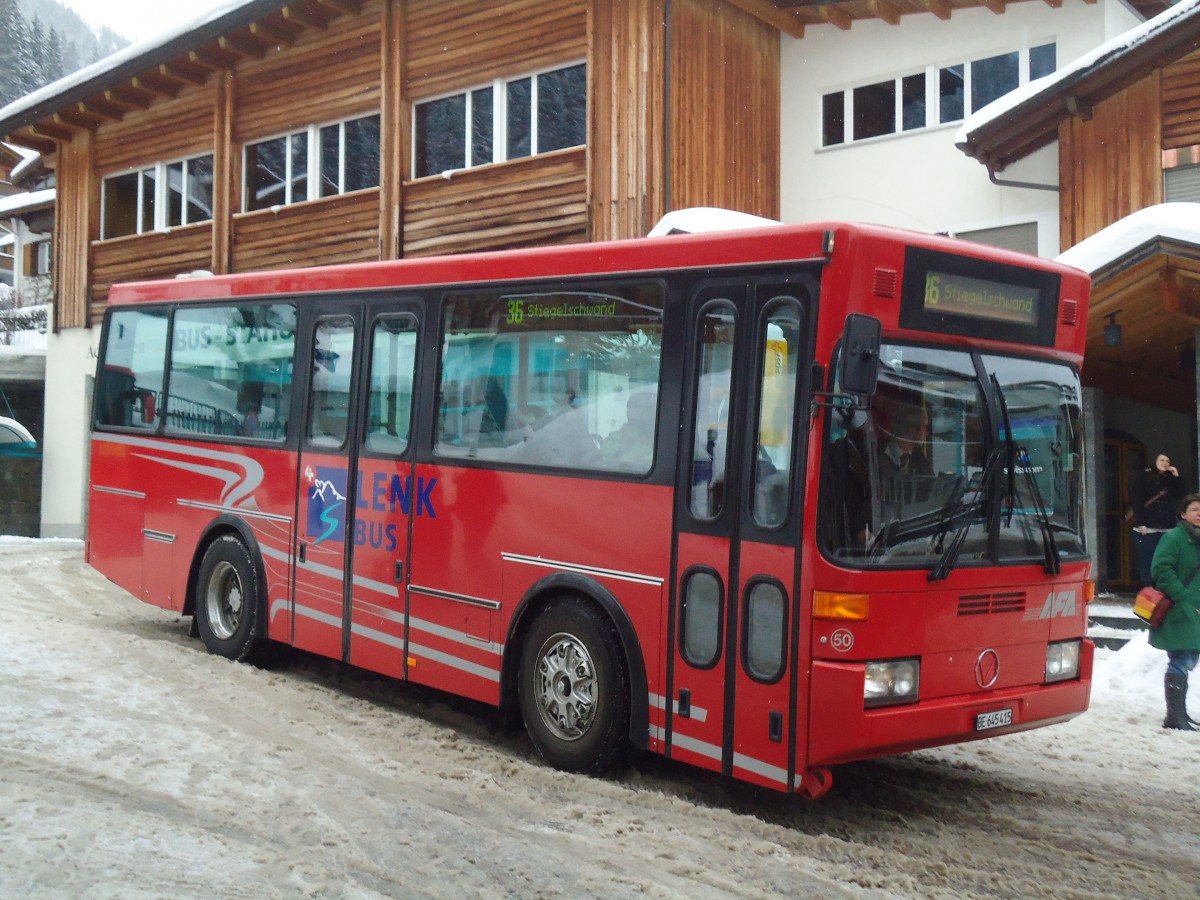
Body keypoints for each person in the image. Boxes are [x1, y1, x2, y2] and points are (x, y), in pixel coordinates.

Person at [1149, 492, 1200, 731]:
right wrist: (1182, 594)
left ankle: (1181, 714)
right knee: (1180, 659)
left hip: (1195, 611)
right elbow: (1161, 569)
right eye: (1195, 509)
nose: (1199, 514)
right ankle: (1174, 717)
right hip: (1179, 609)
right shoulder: (1174, 538)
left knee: (1188, 660)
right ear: (1182, 514)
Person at [1129, 452, 1184, 586]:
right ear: (1155, 461)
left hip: (1166, 526)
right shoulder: (1143, 477)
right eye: (1162, 460)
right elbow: (1137, 501)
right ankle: (1149, 588)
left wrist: (1176, 476)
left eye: (1167, 461)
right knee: (1148, 559)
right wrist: (1141, 523)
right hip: (1147, 527)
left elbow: (1182, 494)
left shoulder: (1170, 479)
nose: (1165, 463)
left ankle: (1162, 588)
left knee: (1166, 559)